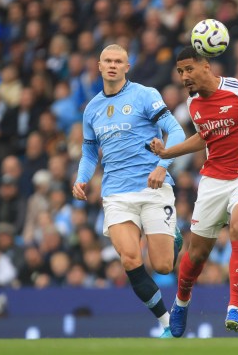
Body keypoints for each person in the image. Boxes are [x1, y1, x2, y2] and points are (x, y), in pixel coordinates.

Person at [150, 46, 238, 336]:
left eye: (188, 69)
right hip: (213, 181)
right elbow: (204, 137)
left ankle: (235, 307)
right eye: (180, 72)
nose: (184, 76)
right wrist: (168, 151)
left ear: (206, 66)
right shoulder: (193, 104)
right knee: (197, 254)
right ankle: (181, 302)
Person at [72, 44, 185, 338]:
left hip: (152, 186)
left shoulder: (145, 95)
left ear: (127, 67)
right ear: (98, 66)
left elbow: (177, 132)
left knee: (162, 266)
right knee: (130, 260)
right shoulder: (92, 109)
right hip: (116, 194)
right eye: (107, 61)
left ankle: (174, 234)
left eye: (118, 61)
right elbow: (88, 153)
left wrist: (163, 165)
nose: (112, 65)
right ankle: (165, 324)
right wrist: (81, 179)